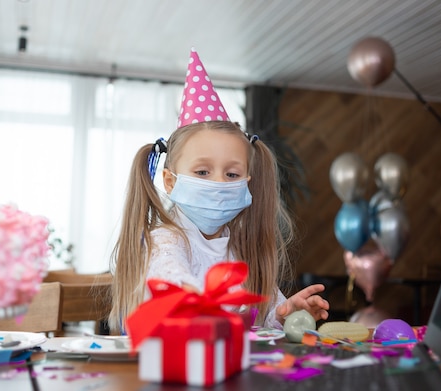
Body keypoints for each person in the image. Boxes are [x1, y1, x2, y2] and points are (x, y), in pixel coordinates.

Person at [108, 48, 329, 334]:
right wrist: (193, 295)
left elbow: (262, 318)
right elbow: (170, 277)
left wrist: (286, 314)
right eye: (202, 172)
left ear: (246, 182)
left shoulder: (241, 249)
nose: (219, 183)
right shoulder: (164, 241)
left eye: (232, 174)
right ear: (171, 181)